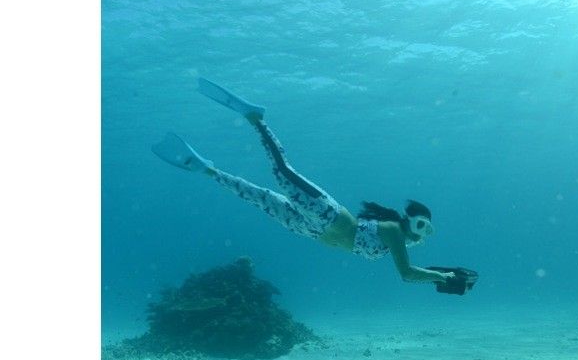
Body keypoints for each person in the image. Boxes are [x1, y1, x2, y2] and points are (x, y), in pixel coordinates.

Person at [152, 78, 455, 285]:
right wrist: (441, 277)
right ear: (408, 221)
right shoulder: (393, 232)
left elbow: (408, 265)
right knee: (282, 172)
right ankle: (257, 118)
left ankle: (208, 170)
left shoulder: (397, 241)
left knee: (258, 198)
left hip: (309, 230)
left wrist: (437, 273)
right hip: (328, 215)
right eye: (421, 224)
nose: (422, 231)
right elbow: (406, 273)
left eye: (427, 229)